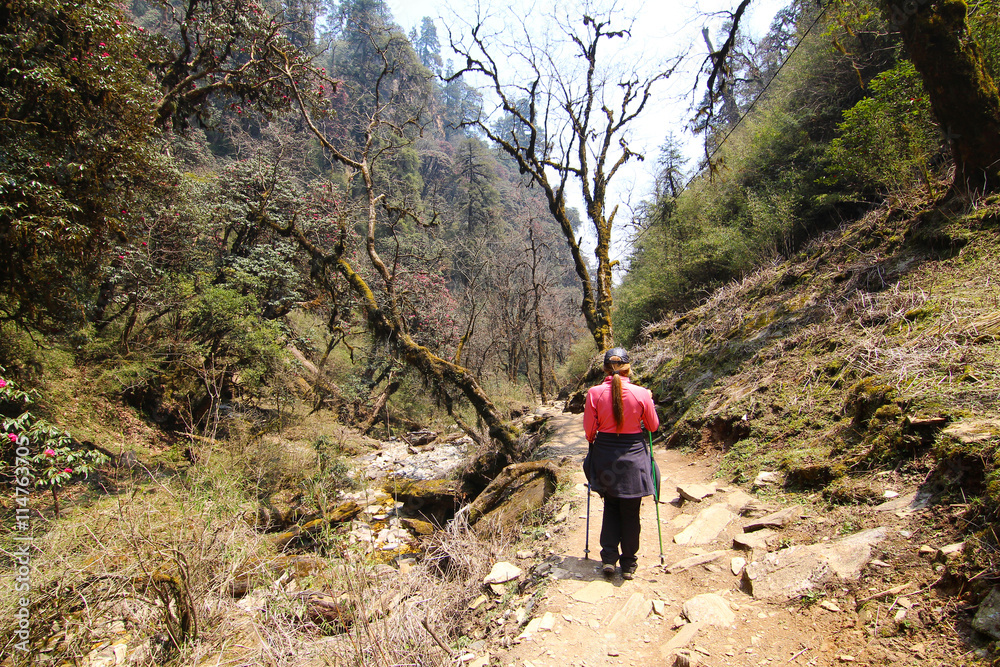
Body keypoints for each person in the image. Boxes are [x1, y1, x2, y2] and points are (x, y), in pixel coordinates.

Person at [583, 347, 660, 580]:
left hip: (606, 456)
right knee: (631, 510)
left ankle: (608, 558)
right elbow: (652, 426)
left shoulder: (594, 393)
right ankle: (628, 563)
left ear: (605, 369)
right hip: (634, 456)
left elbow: (589, 432)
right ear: (628, 368)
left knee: (611, 506)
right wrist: (649, 402)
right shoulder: (641, 393)